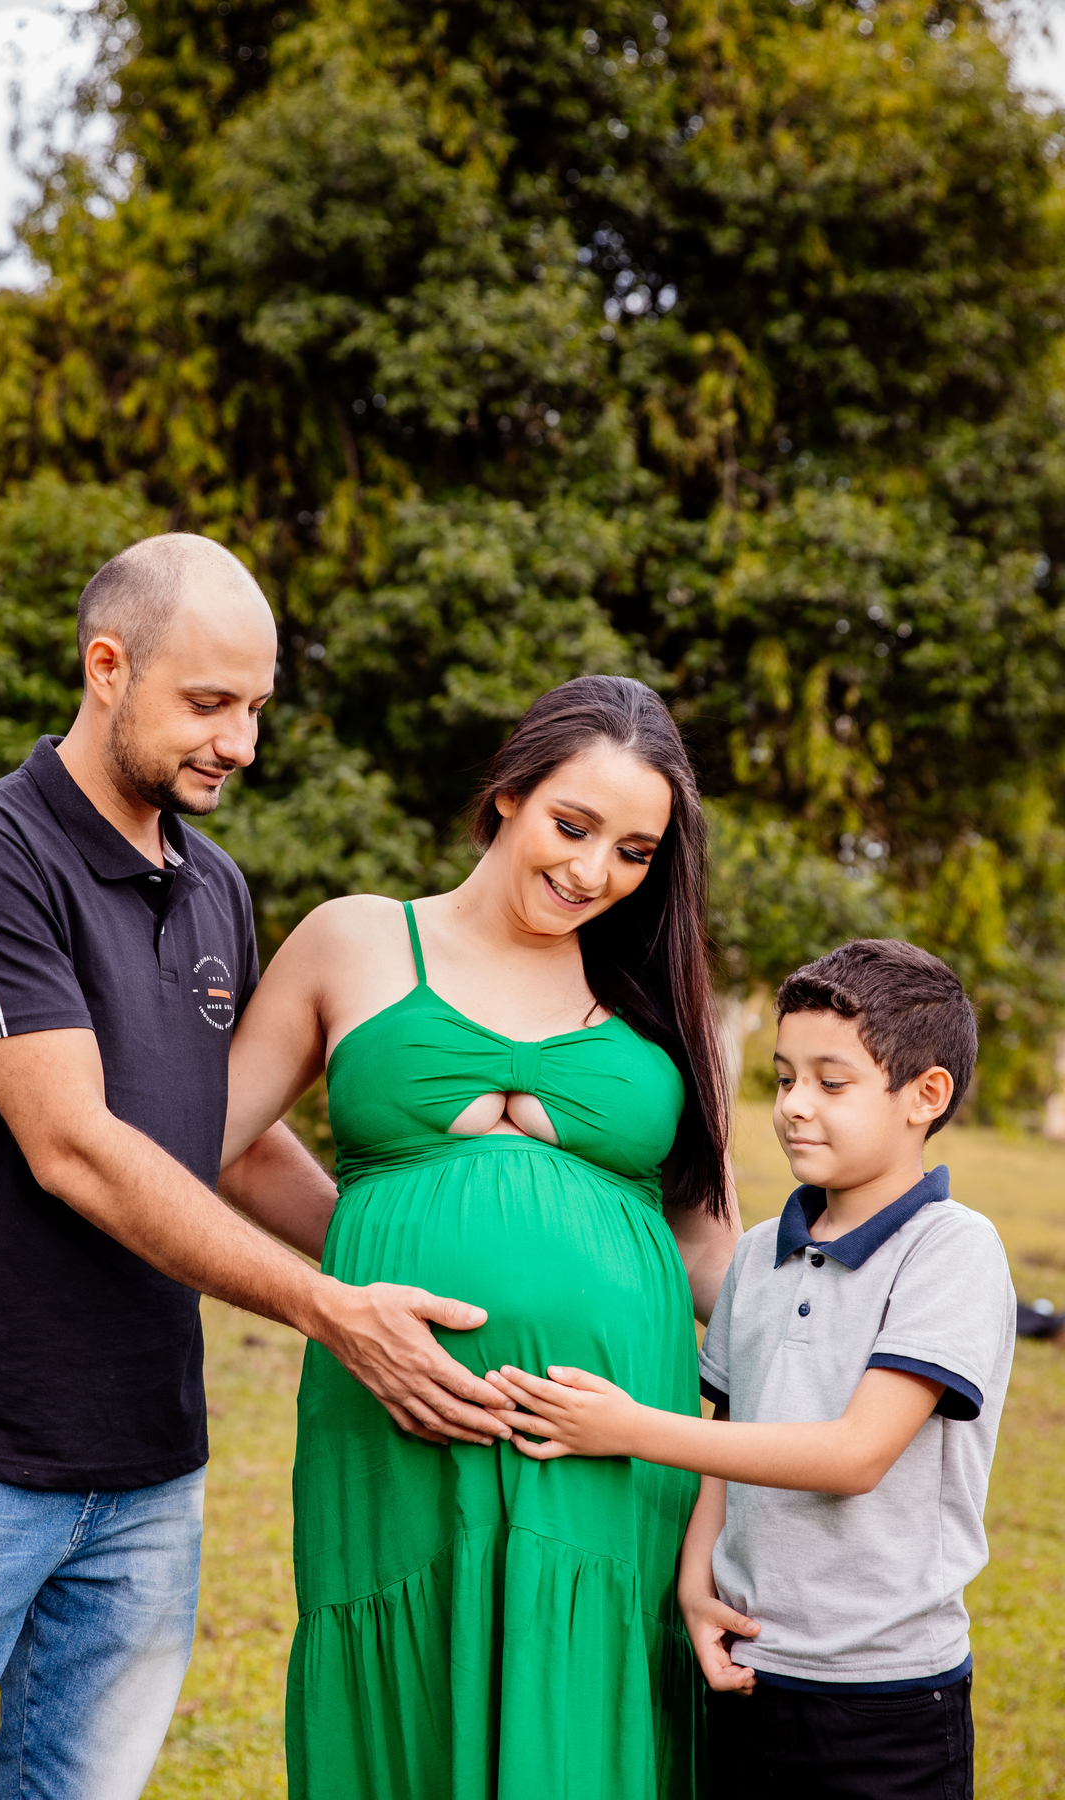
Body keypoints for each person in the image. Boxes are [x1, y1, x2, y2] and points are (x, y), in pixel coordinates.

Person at [0, 532, 509, 1800]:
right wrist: (329, 1311)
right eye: (208, 703)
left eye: (257, 707)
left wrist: (390, 1265)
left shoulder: (214, 883)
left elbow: (235, 1132)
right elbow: (79, 1149)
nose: (241, 743)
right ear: (107, 667)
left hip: (150, 1465)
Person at [222, 674, 742, 1800]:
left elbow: (710, 1249)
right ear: (508, 792)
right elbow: (220, 1142)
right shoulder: (355, 940)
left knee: (590, 1711)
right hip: (398, 1404)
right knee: (407, 1695)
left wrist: (848, 1321)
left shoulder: (653, 991)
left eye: (636, 851)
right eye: (574, 824)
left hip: (609, 1433)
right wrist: (371, 1259)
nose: (594, 871)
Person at [488, 939, 1017, 1800]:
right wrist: (698, 1583)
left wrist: (629, 1430)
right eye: (782, 1078)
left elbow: (856, 1455)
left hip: (884, 1698)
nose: (795, 1107)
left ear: (926, 1095)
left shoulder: (953, 1249)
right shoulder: (763, 1252)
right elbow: (725, 1434)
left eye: (831, 1083)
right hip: (748, 1670)